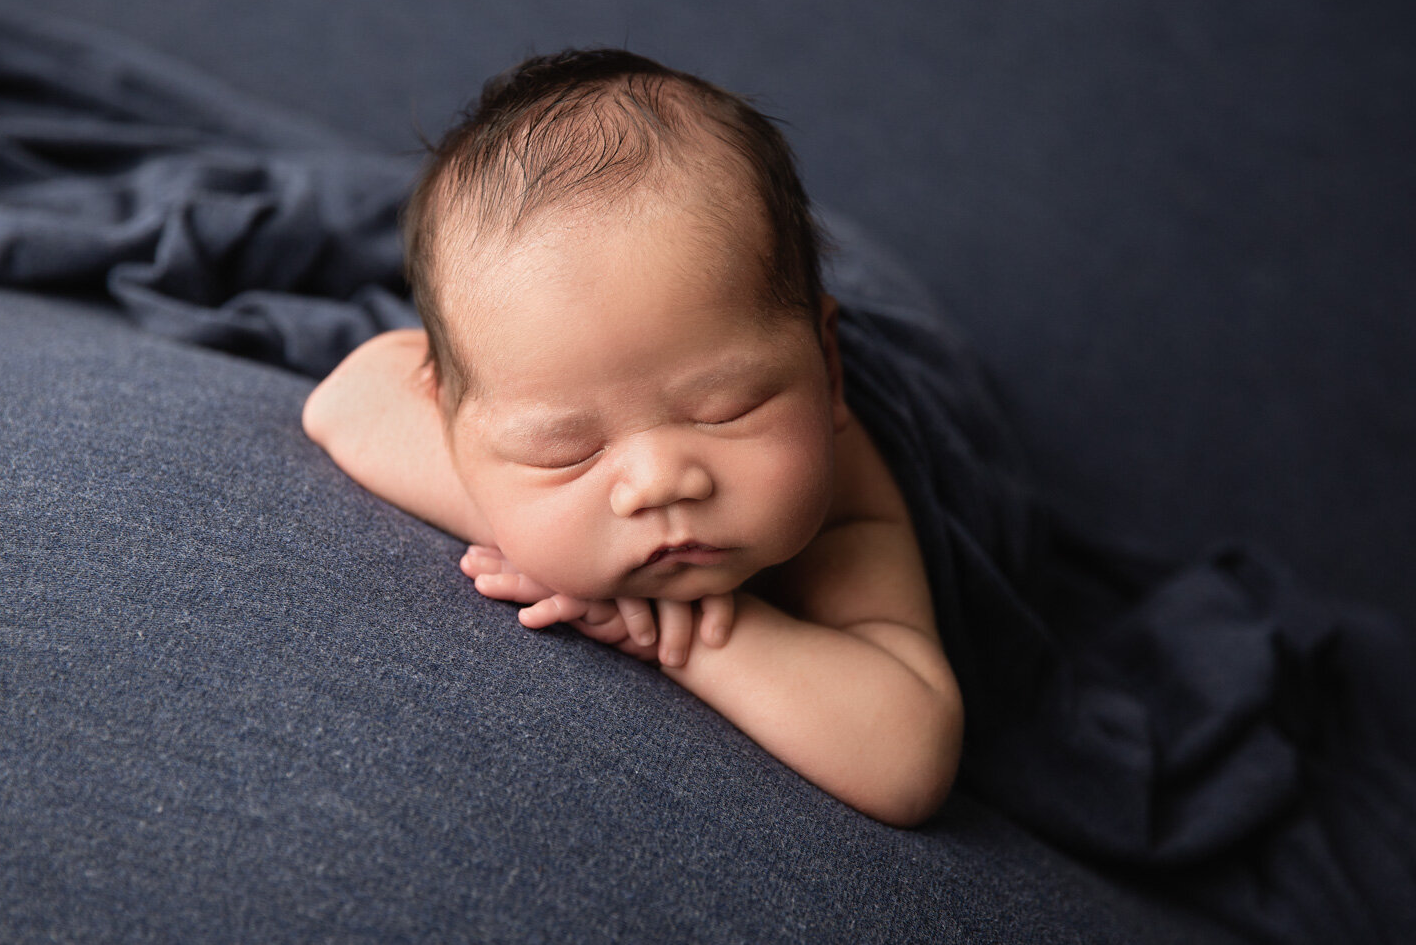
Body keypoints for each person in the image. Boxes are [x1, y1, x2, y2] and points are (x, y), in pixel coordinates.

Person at [302, 49, 962, 827]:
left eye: (726, 408)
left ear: (826, 366)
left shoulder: (844, 497)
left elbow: (906, 756)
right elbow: (347, 397)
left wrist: (706, 637)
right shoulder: (505, 375)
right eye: (564, 450)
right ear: (445, 412)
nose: (656, 481)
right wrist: (536, 530)